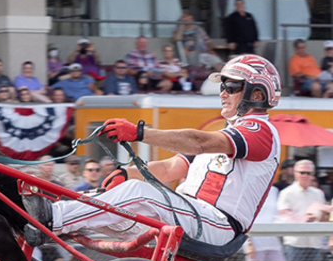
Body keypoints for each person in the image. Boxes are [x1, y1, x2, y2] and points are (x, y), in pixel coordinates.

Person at [24, 54, 283, 249]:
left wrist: (140, 133)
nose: (223, 93)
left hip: (216, 226)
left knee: (139, 193)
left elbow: (197, 142)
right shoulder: (227, 134)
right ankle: (36, 216)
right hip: (189, 217)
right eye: (222, 86)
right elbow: (171, 168)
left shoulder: (259, 130)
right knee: (115, 196)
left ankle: (50, 218)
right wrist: (127, 173)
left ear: (257, 94)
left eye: (232, 87)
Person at [276, 159, 328, 261]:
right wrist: (305, 219)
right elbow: (283, 213)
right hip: (295, 242)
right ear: (295, 173)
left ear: (312, 175)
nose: (305, 175)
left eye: (308, 173)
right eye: (302, 172)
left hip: (315, 242)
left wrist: (322, 215)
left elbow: (323, 217)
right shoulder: (286, 193)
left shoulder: (318, 193)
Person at [244, 185, 285, 261]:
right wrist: (248, 244)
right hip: (255, 246)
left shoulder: (274, 190)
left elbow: (277, 215)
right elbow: (244, 219)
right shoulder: (247, 190)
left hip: (274, 244)